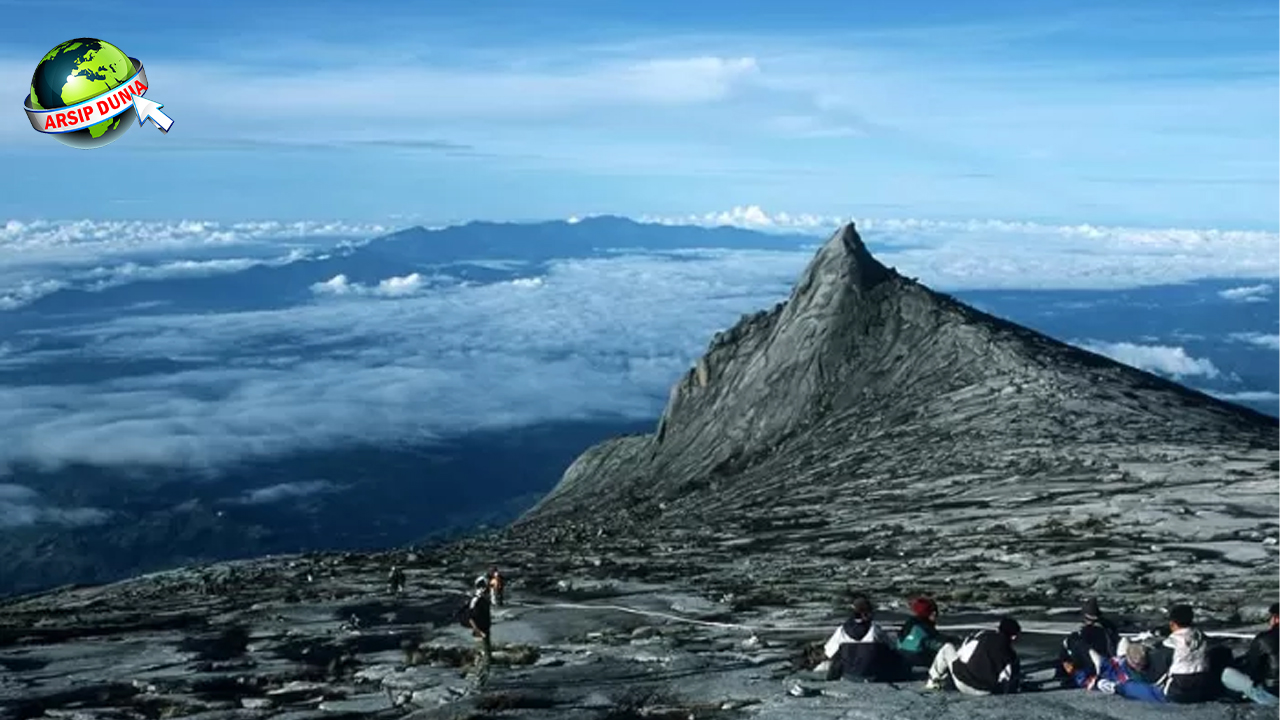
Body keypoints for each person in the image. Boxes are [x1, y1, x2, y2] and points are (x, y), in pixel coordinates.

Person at [822, 596, 912, 682]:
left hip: (849, 675)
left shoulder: (841, 630)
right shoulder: (874, 630)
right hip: (874, 674)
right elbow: (892, 647)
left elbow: (829, 652)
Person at [926, 617, 1022, 695]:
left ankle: (933, 681)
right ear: (1013, 636)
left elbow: (965, 652)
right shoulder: (1012, 656)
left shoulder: (984, 636)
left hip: (964, 682)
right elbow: (1008, 679)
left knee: (947, 647)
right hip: (985, 691)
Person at [1063, 639, 1166, 702]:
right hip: (1115, 665)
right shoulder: (1116, 671)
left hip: (1118, 665)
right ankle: (1069, 643)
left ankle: (1070, 644)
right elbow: (1093, 681)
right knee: (1096, 657)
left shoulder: (1151, 666)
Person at [1056, 598, 1121, 687]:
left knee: (1069, 643)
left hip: (1091, 666)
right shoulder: (1110, 628)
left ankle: (1061, 674)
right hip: (1111, 661)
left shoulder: (1084, 633)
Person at [1159, 604, 1213, 704]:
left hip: (1177, 690)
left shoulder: (1171, 642)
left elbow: (1161, 667)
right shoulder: (1201, 636)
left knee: (1133, 687)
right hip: (1201, 687)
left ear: (1173, 623)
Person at [897, 597, 958, 669]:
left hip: (903, 655)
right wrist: (954, 645)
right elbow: (935, 643)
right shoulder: (924, 627)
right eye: (933, 611)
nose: (936, 614)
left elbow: (900, 640)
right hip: (919, 658)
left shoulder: (910, 624)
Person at [1245, 603, 1279, 697]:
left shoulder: (1264, 638)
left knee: (1227, 674)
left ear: (1276, 618)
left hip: (1272, 691)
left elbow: (1253, 668)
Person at [465, 576, 493, 687]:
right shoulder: (476, 600)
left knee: (481, 656)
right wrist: (478, 631)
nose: (488, 589)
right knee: (485, 658)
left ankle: (478, 679)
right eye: (486, 586)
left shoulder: (482, 599)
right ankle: (479, 681)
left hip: (484, 631)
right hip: (480, 633)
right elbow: (470, 617)